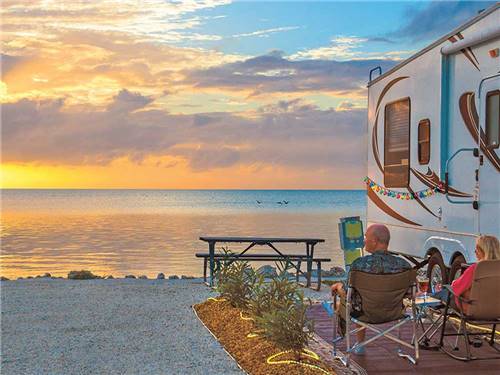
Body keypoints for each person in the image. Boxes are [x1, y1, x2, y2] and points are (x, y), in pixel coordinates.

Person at [331, 224, 411, 354]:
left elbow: (347, 292)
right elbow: (410, 293)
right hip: (394, 312)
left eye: (366, 237)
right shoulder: (404, 265)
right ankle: (400, 349)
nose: (364, 241)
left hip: (365, 314)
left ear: (374, 241)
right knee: (360, 298)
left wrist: (338, 287)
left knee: (353, 299)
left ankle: (360, 344)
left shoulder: (359, 264)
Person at [449, 235, 500, 314]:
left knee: (443, 293)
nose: (475, 252)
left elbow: (456, 288)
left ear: (483, 251)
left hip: (472, 309)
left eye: (476, 250)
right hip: (496, 310)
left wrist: (453, 283)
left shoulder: (476, 268)